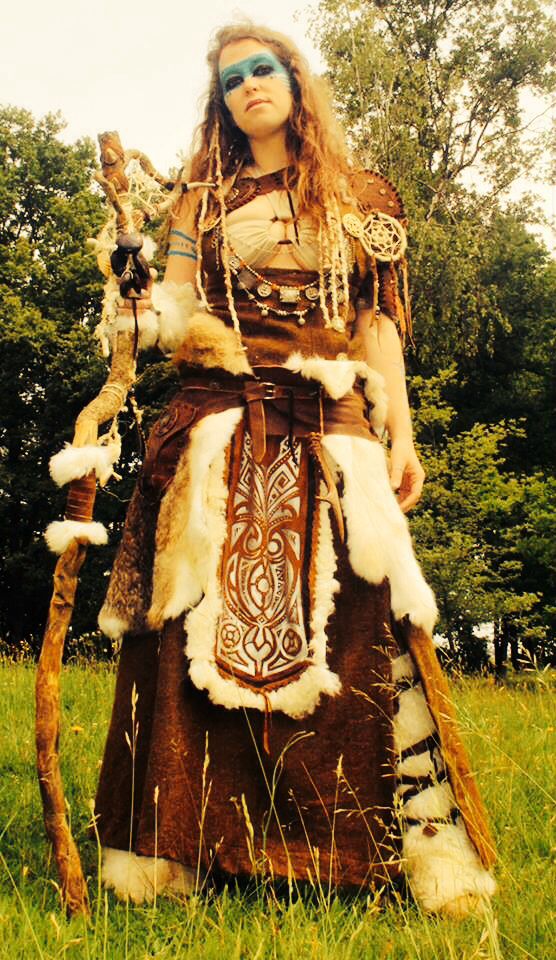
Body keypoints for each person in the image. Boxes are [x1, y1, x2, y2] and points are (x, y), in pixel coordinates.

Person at [79, 23, 496, 914]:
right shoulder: (200, 197)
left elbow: (378, 328)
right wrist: (137, 300)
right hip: (220, 425)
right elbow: (174, 315)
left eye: (262, 70)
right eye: (231, 80)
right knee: (186, 628)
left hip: (331, 428)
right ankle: (175, 850)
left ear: (296, 81)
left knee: (365, 633)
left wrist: (404, 434)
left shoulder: (361, 194)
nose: (248, 87)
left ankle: (396, 855)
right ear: (220, 102)